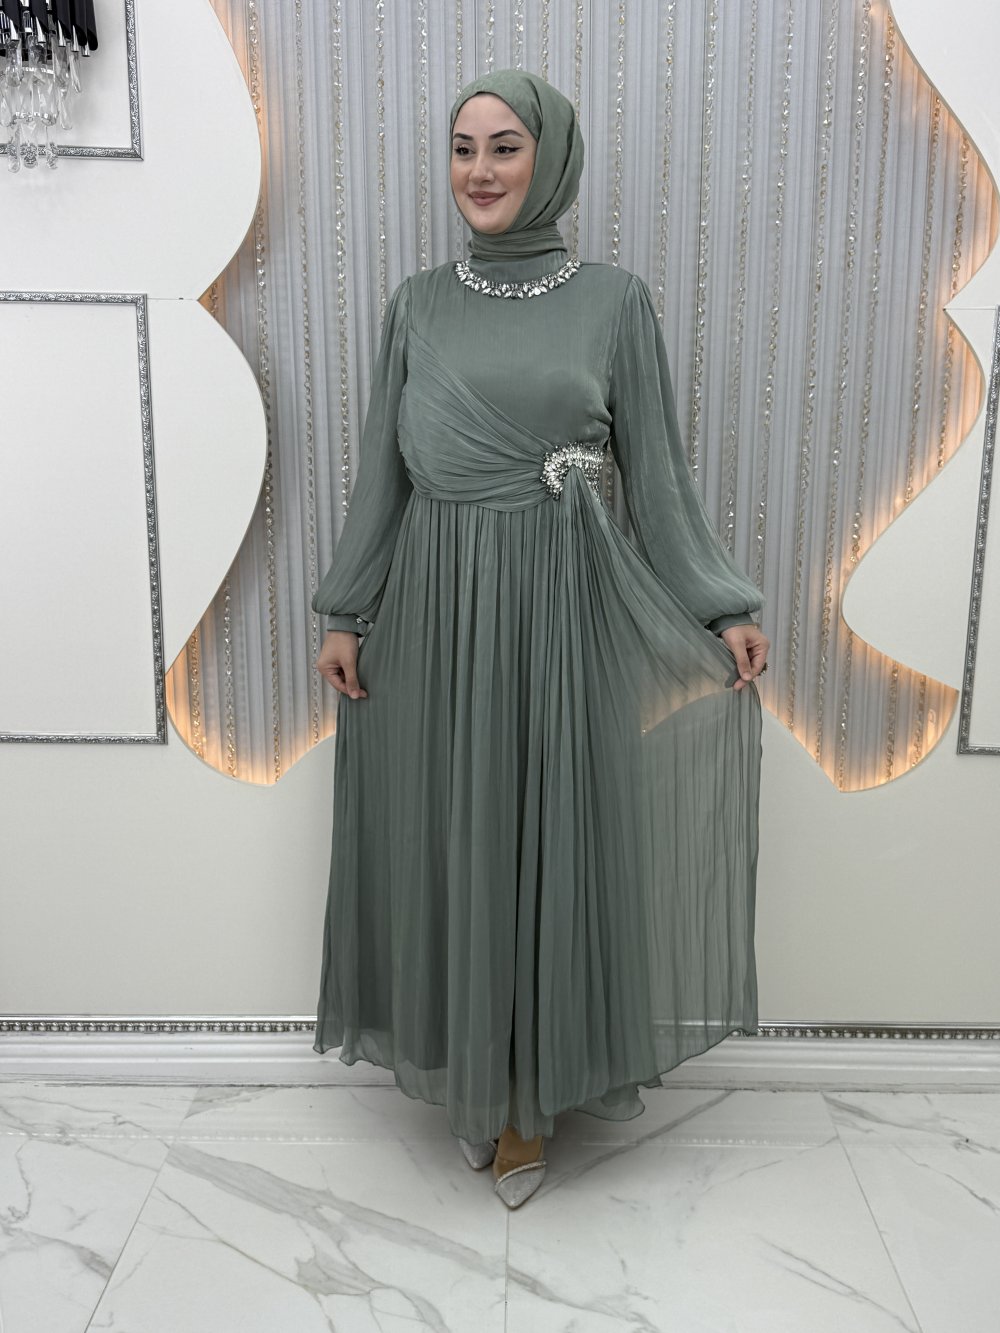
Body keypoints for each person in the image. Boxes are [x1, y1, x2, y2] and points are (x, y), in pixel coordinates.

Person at [312, 69, 769, 1209]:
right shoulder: (417, 304)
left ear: (550, 158)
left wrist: (719, 603)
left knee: (547, 844)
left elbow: (656, 480)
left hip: (564, 616)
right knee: (458, 840)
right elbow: (384, 474)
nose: (479, 171)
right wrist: (347, 609)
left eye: (505, 147)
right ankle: (475, 1076)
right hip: (436, 613)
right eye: (463, 147)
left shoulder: (615, 302)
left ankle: (525, 1105)